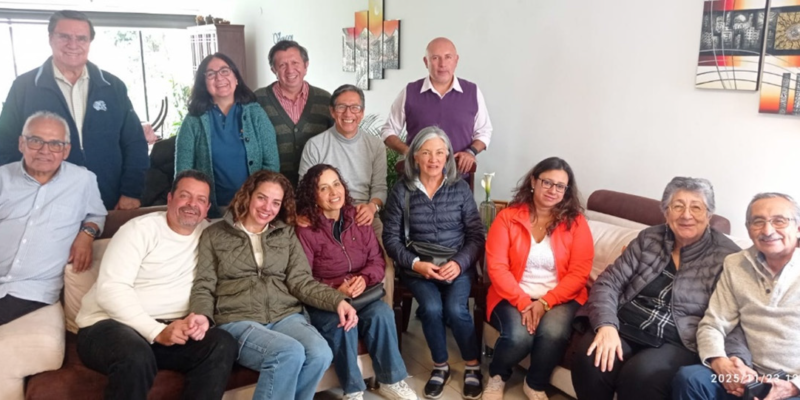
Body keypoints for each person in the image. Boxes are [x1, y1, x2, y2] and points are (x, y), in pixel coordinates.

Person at [570, 177, 751, 400]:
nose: (686, 215)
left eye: (696, 207)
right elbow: (609, 282)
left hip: (679, 338)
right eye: (678, 206)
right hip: (627, 323)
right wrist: (606, 325)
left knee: (642, 375)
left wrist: (736, 359)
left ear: (709, 214)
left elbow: (732, 317)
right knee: (591, 359)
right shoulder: (649, 238)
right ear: (666, 212)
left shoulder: (727, 257)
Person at [189, 170, 358, 400]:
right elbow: (204, 284)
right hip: (238, 319)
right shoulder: (214, 234)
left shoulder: (286, 234)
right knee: (288, 353)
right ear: (248, 195)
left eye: (276, 202)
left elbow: (301, 281)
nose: (267, 207)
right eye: (262, 197)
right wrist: (202, 315)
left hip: (285, 316)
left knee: (320, 354)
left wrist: (337, 300)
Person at [75, 170, 237, 400]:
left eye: (201, 200)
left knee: (221, 344)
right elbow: (111, 291)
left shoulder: (209, 236)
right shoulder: (139, 229)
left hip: (171, 330)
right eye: (185, 196)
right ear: (170, 199)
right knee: (135, 356)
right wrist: (156, 331)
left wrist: (200, 317)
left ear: (207, 208)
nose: (192, 204)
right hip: (108, 326)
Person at [0, 10, 148, 210]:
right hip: (44, 205)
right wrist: (22, 193)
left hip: (110, 201)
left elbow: (135, 143)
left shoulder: (113, 87)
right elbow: (5, 146)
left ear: (89, 43)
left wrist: (131, 191)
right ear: (50, 38)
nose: (73, 44)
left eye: (81, 38)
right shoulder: (24, 87)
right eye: (64, 37)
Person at [295, 164, 417, 400]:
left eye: (336, 184)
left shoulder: (358, 218)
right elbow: (302, 279)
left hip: (362, 295)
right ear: (313, 195)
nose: (333, 192)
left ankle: (391, 380)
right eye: (323, 188)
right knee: (345, 323)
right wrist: (335, 290)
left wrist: (363, 278)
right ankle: (353, 390)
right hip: (326, 302)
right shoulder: (306, 229)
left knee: (382, 312)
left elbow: (377, 261)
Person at [382, 126, 486, 399]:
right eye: (426, 152)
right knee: (430, 307)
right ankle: (440, 366)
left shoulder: (460, 188)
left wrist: (460, 263)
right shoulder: (401, 190)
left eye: (440, 152)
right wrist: (416, 264)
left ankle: (472, 365)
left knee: (456, 309)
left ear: (448, 156)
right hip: (418, 266)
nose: (433, 159)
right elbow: (391, 239)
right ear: (415, 156)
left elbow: (476, 236)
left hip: (455, 264)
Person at [483, 157, 594, 400]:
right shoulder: (507, 218)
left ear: (566, 191)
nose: (553, 190)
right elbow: (497, 267)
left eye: (560, 186)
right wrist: (524, 302)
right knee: (518, 336)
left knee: (553, 332)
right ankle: (498, 376)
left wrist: (545, 303)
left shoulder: (576, 223)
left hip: (561, 296)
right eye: (547, 182)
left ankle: (535, 383)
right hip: (512, 293)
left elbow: (579, 272)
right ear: (533, 181)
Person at [673, 193, 800, 400]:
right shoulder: (735, 264)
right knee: (691, 379)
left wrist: (793, 387)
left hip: (793, 384)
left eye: (779, 221)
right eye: (758, 222)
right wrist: (719, 361)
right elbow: (713, 324)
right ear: (749, 229)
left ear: (797, 228)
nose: (768, 230)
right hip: (749, 376)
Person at [0, 111, 106, 325]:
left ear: (66, 150)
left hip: (32, 290)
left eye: (55, 144)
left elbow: (97, 213)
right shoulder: (3, 177)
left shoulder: (83, 180)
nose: (44, 151)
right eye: (35, 141)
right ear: (21, 143)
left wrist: (87, 234)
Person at [175, 52, 279, 217]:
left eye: (225, 71)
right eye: (211, 74)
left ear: (236, 77)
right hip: (210, 210)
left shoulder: (255, 113)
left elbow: (271, 164)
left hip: (252, 208)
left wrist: (259, 200)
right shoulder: (193, 120)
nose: (219, 77)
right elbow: (183, 172)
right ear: (204, 83)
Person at [380, 37, 492, 174]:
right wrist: (409, 153)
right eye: (435, 58)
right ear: (426, 62)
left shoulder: (472, 91)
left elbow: (484, 131)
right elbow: (388, 131)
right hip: (416, 181)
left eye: (448, 57)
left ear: (456, 60)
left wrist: (471, 152)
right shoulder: (409, 92)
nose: (442, 64)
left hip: (459, 181)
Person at [298, 84, 386, 232]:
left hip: (362, 214)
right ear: (332, 111)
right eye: (341, 107)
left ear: (362, 112)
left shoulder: (376, 145)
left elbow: (380, 188)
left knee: (382, 253)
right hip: (325, 213)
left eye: (355, 107)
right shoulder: (315, 145)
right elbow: (304, 188)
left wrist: (372, 207)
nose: (348, 113)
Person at [255, 40, 334, 186]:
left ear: (306, 65)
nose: (290, 70)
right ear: (273, 70)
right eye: (282, 65)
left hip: (316, 186)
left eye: (295, 63)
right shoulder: (257, 101)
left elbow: (334, 142)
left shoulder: (325, 100)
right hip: (272, 188)